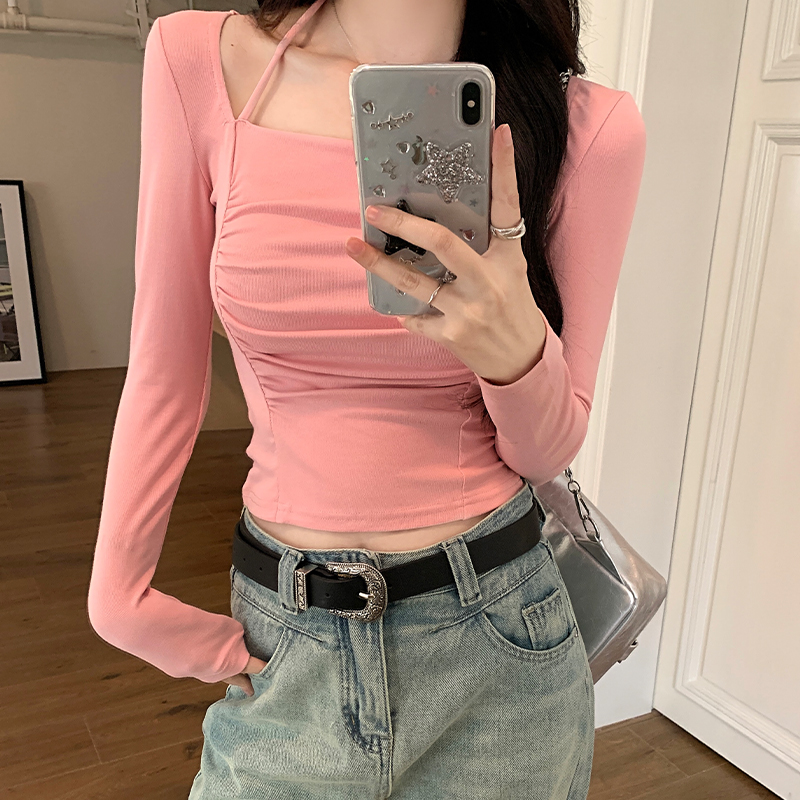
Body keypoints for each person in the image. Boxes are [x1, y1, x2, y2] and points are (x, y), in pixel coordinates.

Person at [86, 0, 646, 796]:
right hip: (287, 638)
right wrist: (118, 595)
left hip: (501, 644)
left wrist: (515, 350)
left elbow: (546, 451)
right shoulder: (200, 61)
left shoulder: (587, 125)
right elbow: (162, 361)